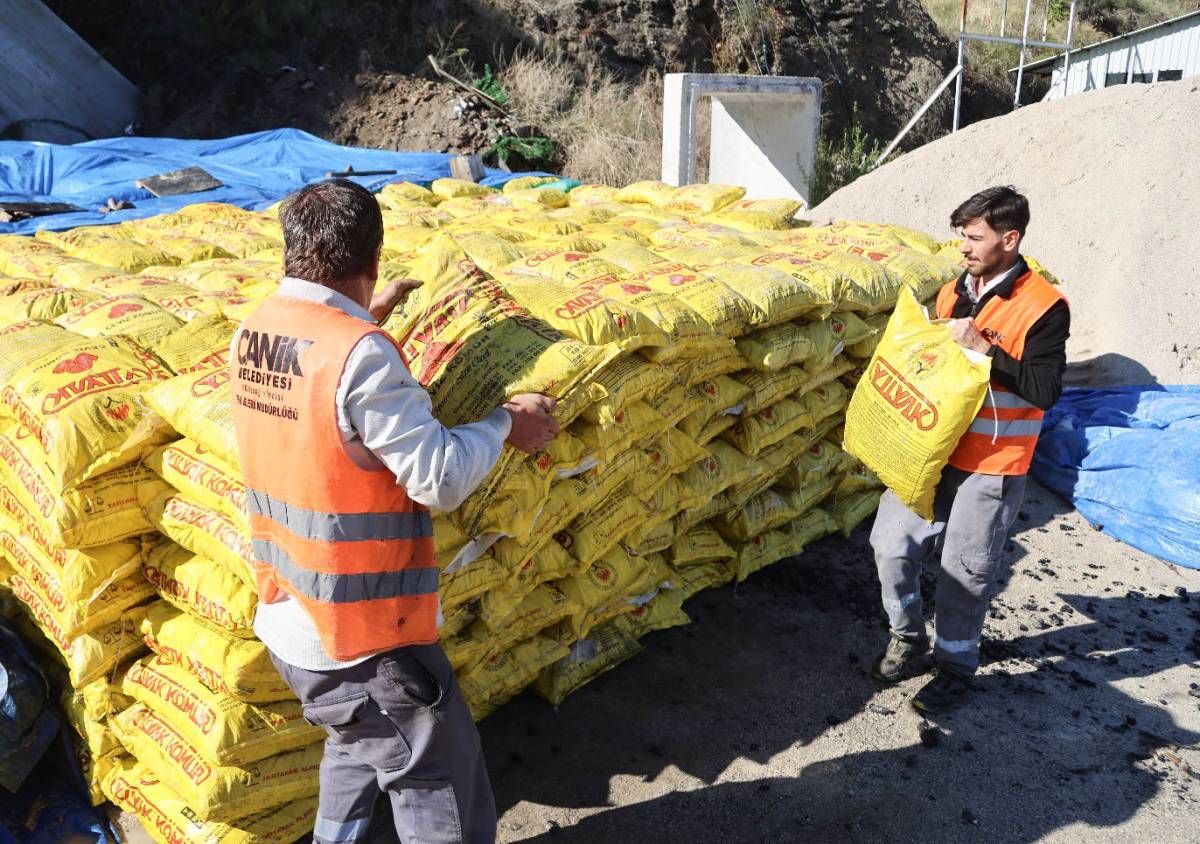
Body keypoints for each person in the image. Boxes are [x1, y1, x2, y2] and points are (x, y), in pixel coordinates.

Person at [230, 179, 559, 843]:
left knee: (355, 744)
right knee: (441, 790)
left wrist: (360, 318)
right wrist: (503, 423)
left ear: (292, 252)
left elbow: (320, 405)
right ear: (374, 259)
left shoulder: (257, 329)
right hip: (368, 638)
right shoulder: (360, 355)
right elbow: (437, 475)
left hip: (294, 620)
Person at [868, 185, 1070, 714]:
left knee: (964, 572)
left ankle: (955, 666)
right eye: (962, 236)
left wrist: (989, 351)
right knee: (889, 545)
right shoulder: (956, 290)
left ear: (1010, 238)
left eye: (974, 237)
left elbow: (1046, 389)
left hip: (993, 463)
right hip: (931, 453)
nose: (964, 247)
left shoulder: (1044, 307)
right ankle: (907, 636)